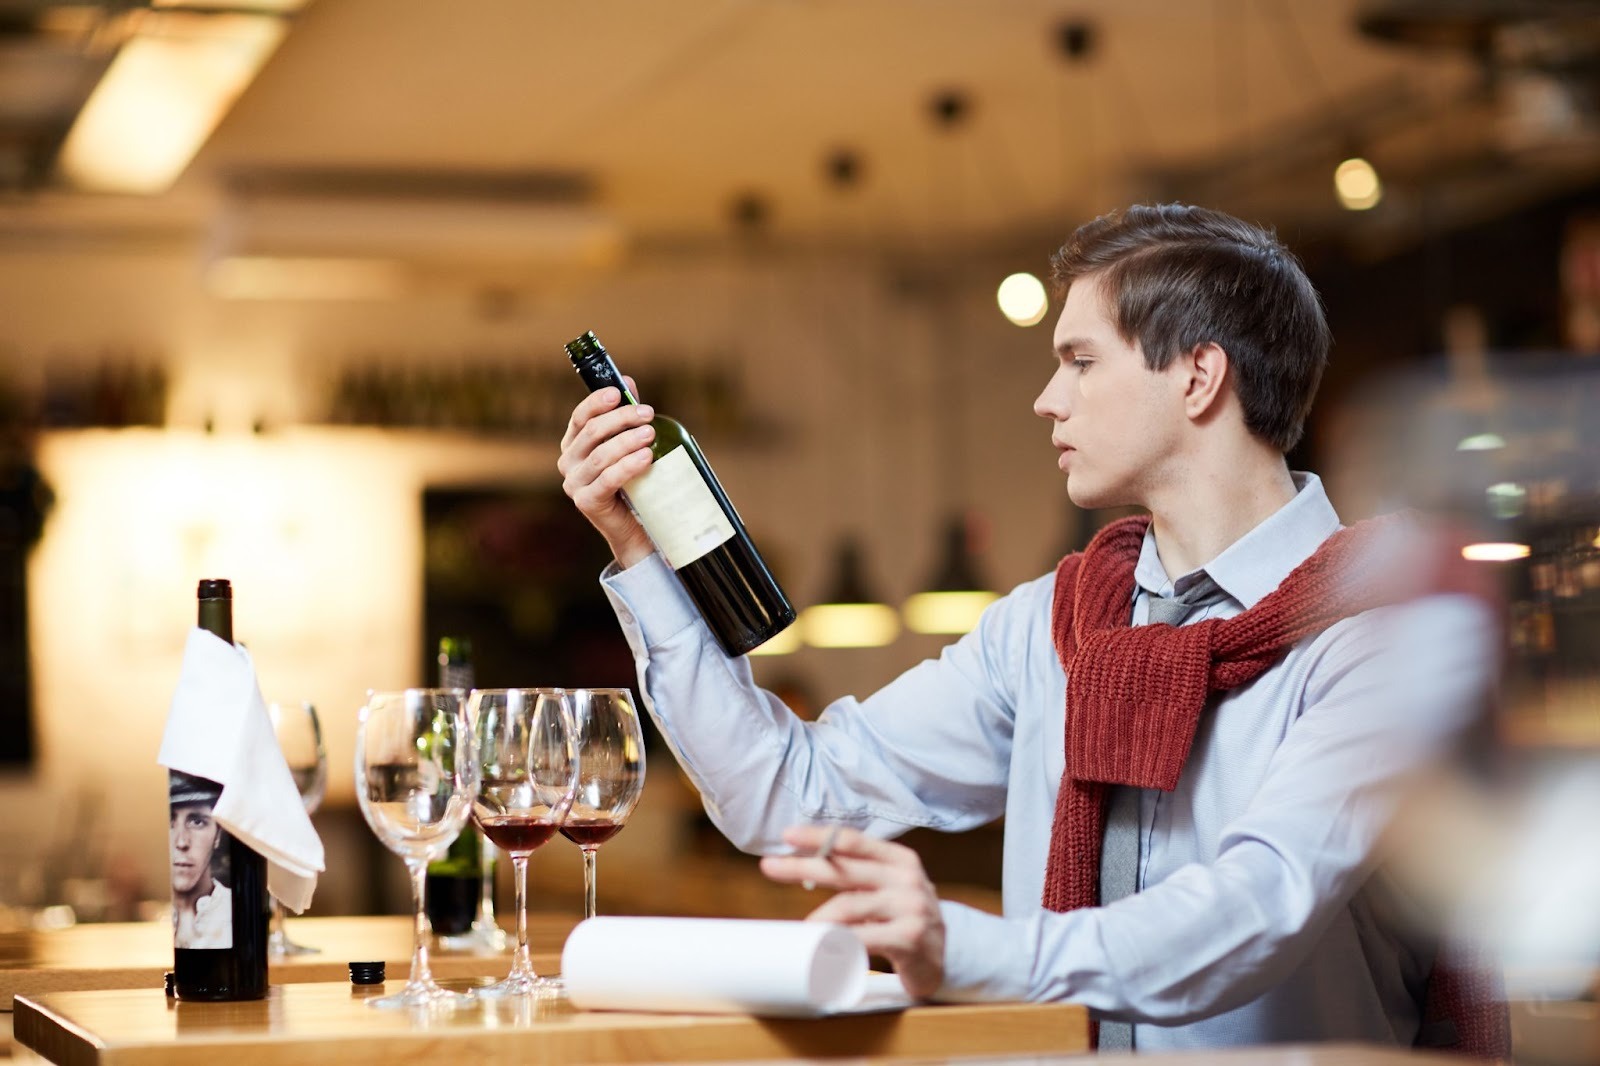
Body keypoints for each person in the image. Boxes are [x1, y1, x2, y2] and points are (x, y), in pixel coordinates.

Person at [557, 204, 1502, 1052]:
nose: (1048, 399)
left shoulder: (1385, 630)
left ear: (1199, 377)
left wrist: (963, 945)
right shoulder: (1050, 629)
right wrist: (641, 553)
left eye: (1081, 362)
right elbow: (788, 799)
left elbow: (1255, 909)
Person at [170, 774, 232, 949]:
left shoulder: (236, 912)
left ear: (218, 835)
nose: (181, 842)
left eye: (197, 821)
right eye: (170, 821)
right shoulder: (149, 928)